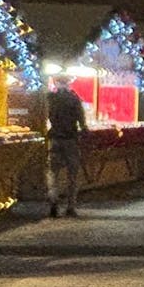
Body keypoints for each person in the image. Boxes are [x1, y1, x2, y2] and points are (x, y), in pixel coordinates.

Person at [45, 75, 88, 218]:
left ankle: (53, 201)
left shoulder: (50, 98)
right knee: (72, 174)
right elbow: (81, 120)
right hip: (70, 139)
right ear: (68, 83)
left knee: (53, 172)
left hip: (55, 138)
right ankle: (70, 206)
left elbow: (45, 116)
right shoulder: (74, 99)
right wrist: (84, 130)